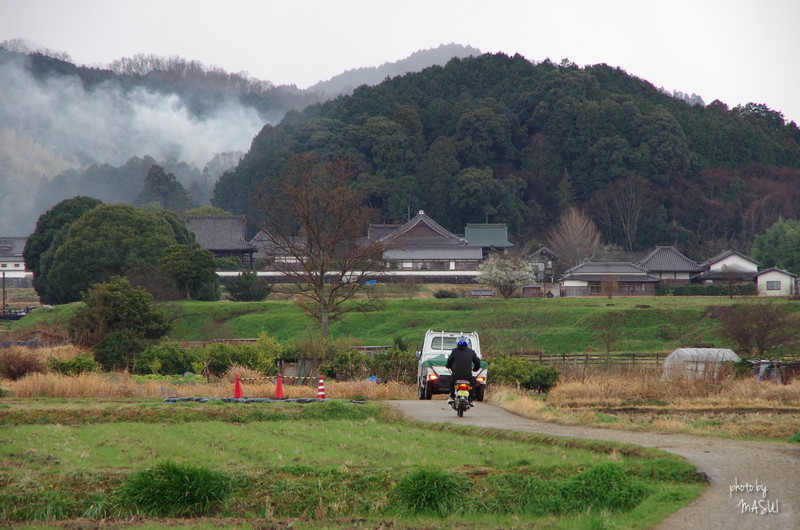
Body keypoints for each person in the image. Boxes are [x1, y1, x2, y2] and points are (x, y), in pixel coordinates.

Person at [446, 337, 481, 403]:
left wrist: (448, 366)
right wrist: (475, 369)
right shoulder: (471, 352)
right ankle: (470, 399)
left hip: (456, 375)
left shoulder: (454, 351)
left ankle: (452, 397)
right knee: (472, 383)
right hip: (467, 376)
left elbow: (449, 361)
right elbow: (477, 362)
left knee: (451, 382)